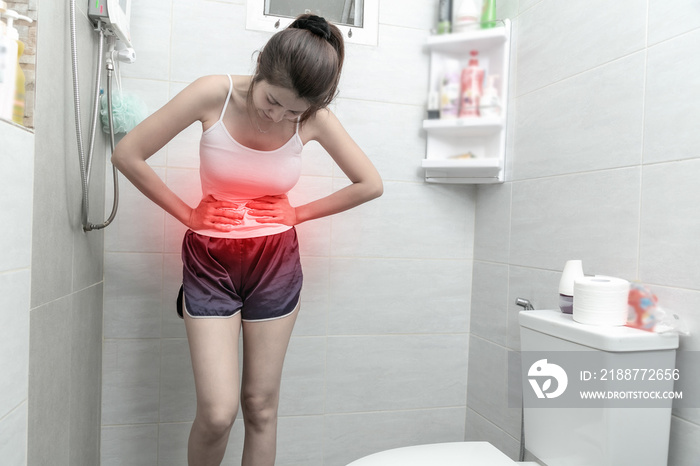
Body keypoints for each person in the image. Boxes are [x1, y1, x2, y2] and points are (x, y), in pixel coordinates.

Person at [112, 14, 383, 466]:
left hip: (275, 262)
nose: (277, 116)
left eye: (293, 112)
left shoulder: (313, 119)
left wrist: (298, 212)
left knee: (260, 406)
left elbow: (369, 183)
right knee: (218, 414)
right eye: (272, 100)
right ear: (261, 67)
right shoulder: (212, 95)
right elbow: (128, 154)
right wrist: (188, 213)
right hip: (210, 262)